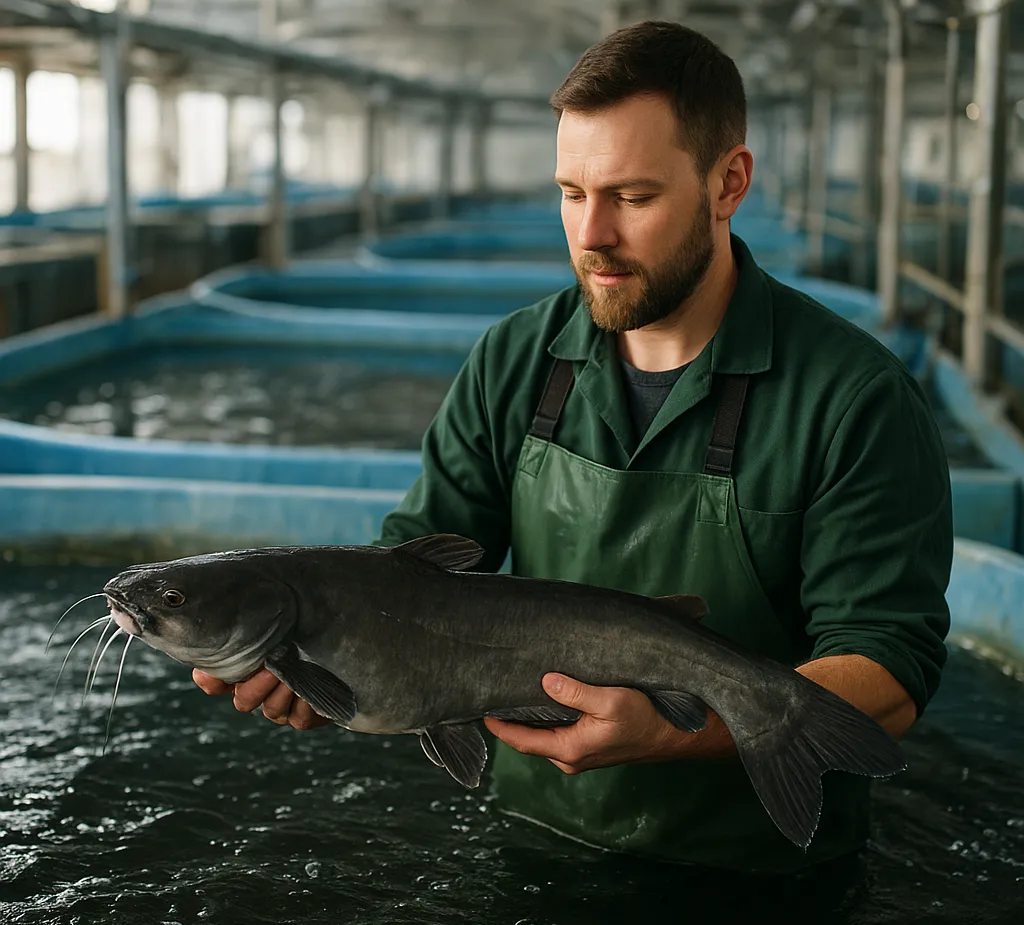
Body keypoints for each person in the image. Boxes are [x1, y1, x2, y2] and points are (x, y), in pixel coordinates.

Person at [194, 21, 953, 873]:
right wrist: (318, 661)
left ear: (728, 183)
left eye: (632, 197)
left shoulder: (854, 397)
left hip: (756, 867)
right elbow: (404, 570)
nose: (590, 236)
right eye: (570, 192)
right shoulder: (514, 359)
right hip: (538, 835)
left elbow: (889, 669)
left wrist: (676, 734)